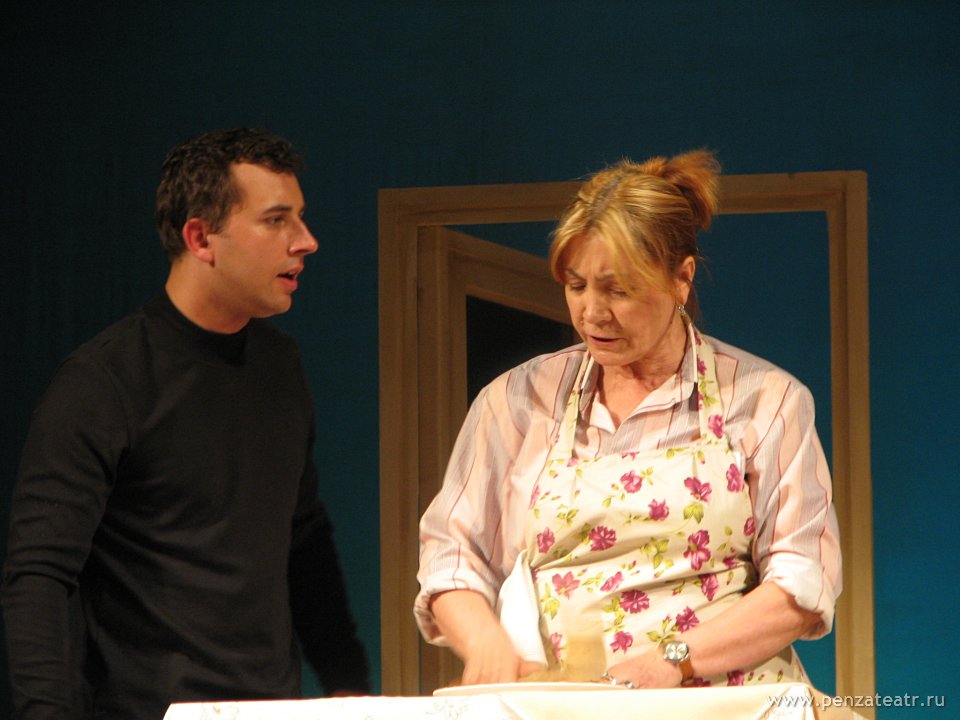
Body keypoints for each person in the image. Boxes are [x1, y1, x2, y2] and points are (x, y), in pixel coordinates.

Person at [415, 150, 841, 689]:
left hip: (724, 701)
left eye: (618, 290)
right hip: (569, 702)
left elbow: (800, 583)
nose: (592, 313)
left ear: (681, 279)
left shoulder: (766, 401)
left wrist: (672, 660)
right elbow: (453, 555)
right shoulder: (517, 401)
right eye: (576, 286)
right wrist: (484, 643)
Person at [2, 128, 370, 719]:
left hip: (268, 709)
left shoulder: (280, 365)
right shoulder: (103, 382)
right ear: (201, 238)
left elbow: (304, 539)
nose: (306, 241)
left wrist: (348, 685)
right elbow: (40, 573)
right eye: (276, 220)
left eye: (300, 218)